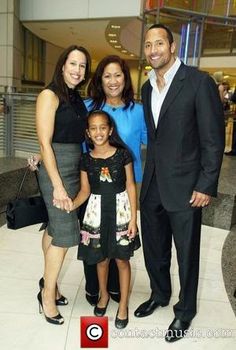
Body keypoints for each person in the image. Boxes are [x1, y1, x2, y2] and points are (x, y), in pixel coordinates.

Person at [134, 24, 225, 342]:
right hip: (153, 183)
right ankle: (160, 294)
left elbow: (213, 139)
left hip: (188, 186)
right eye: (148, 44)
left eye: (159, 43)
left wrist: (206, 184)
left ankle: (185, 311)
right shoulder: (146, 88)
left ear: (172, 47)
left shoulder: (199, 83)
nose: (153, 49)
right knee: (155, 248)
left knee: (186, 253)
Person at [65, 110, 140, 329]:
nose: (99, 132)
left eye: (103, 127)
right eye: (93, 128)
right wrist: (72, 204)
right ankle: (104, 295)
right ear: (88, 133)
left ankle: (123, 304)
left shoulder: (122, 154)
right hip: (96, 214)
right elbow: (85, 191)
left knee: (122, 260)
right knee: (101, 259)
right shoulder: (86, 159)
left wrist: (133, 219)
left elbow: (130, 186)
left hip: (121, 213)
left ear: (110, 130)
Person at [83, 55, 147, 306]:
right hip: (94, 185)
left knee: (118, 239)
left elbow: (151, 143)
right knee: (95, 237)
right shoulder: (89, 107)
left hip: (125, 186)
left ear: (125, 78)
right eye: (107, 76)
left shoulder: (139, 111)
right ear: (100, 79)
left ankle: (114, 286)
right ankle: (94, 286)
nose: (112, 81)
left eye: (117, 75)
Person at [35, 45, 91, 325]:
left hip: (73, 164)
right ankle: (47, 296)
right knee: (67, 233)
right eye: (73, 63)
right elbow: (45, 142)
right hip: (55, 169)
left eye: (82, 66)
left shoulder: (76, 97)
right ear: (62, 65)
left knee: (55, 227)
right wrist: (57, 185)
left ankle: (50, 285)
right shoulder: (49, 94)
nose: (77, 70)